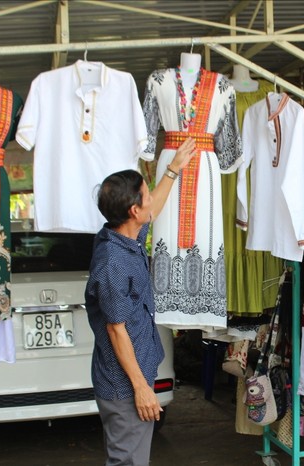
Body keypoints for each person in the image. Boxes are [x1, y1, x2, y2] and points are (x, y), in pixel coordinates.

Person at [85, 137, 196, 466]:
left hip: (133, 375)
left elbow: (154, 208)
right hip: (124, 384)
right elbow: (116, 330)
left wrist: (174, 169)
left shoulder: (124, 235)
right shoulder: (112, 261)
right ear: (134, 210)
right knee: (128, 462)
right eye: (145, 195)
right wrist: (141, 389)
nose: (151, 200)